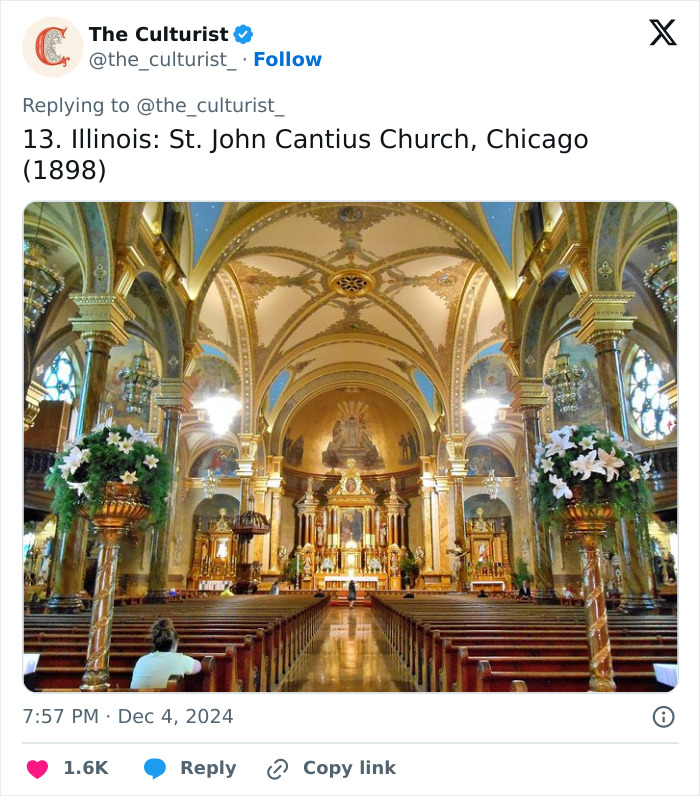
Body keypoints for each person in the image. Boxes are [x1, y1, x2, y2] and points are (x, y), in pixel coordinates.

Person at [130, 618, 201, 689]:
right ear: (175, 643)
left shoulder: (141, 661)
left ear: (155, 643)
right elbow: (199, 666)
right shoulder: (180, 659)